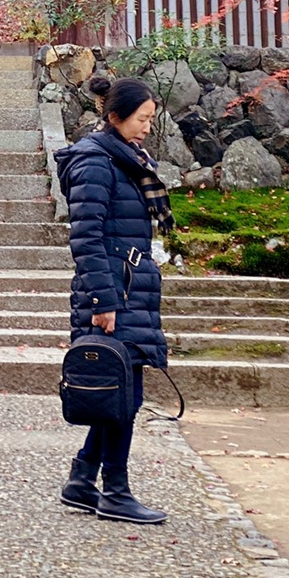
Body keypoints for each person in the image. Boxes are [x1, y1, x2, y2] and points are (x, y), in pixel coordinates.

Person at [52, 76, 173, 526]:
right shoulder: (96, 163)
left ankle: (83, 481)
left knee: (121, 394)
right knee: (126, 393)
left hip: (128, 288)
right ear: (116, 117)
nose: (146, 128)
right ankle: (115, 491)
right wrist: (104, 301)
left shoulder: (125, 159)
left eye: (150, 120)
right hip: (112, 294)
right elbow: (86, 238)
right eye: (141, 119)